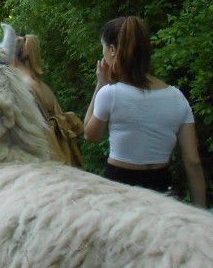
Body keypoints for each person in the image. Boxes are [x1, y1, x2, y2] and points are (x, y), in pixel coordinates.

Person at [83, 16, 206, 207]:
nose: (103, 55)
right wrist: (201, 212)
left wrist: (100, 84)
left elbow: (91, 135)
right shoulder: (176, 97)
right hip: (161, 189)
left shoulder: (110, 94)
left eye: (104, 48)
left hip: (120, 189)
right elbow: (192, 162)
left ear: (113, 50)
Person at [11, 34, 83, 167]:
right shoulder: (39, 84)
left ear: (12, 60)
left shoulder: (22, 88)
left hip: (45, 156)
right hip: (60, 151)